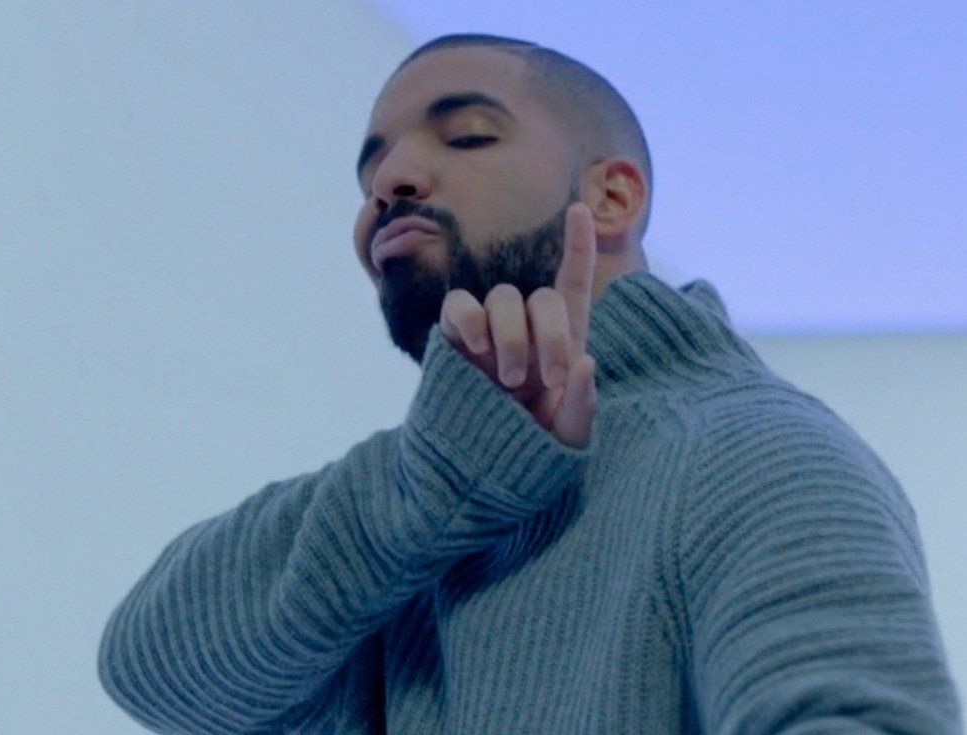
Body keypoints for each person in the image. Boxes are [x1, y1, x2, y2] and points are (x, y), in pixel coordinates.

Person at [97, 33, 963, 734]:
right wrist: (438, 479)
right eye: (370, 175)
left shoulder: (745, 452)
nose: (387, 185)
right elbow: (153, 671)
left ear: (613, 198)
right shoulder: (414, 534)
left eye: (467, 135)